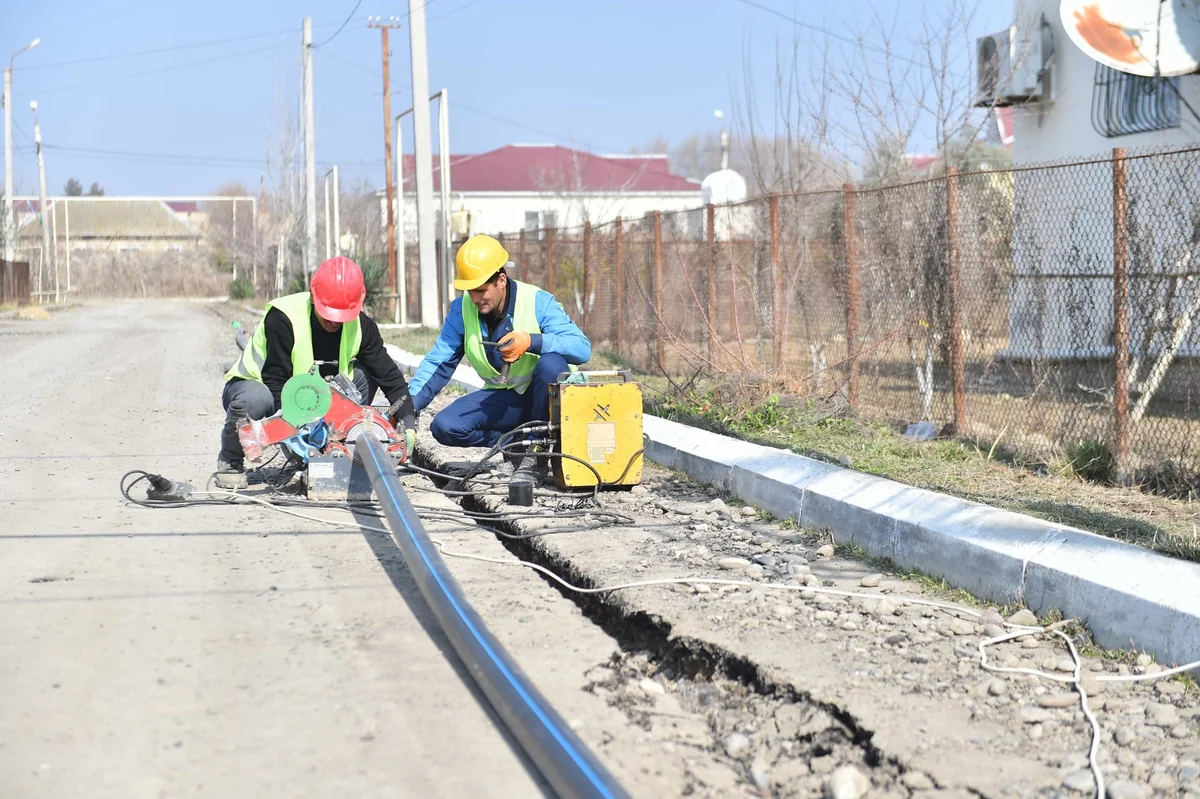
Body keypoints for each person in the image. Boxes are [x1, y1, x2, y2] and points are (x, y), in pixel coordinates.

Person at [217, 256, 417, 487]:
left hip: (316, 399)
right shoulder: (283, 318)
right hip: (259, 388)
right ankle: (230, 459)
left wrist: (408, 425)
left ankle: (337, 443)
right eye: (329, 314)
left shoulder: (362, 326)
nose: (335, 322)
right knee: (255, 400)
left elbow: (390, 377)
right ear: (313, 297)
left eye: (342, 315)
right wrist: (298, 436)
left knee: (366, 374)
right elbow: (275, 383)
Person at [407, 234, 591, 480]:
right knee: (445, 427)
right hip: (506, 402)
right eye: (470, 291)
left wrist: (532, 341)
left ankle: (537, 453)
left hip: (545, 403)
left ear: (501, 280)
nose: (475, 298)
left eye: (482, 290)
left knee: (552, 364)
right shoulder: (462, 310)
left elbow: (581, 348)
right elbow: (439, 362)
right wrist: (409, 406)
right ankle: (515, 445)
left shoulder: (537, 301)